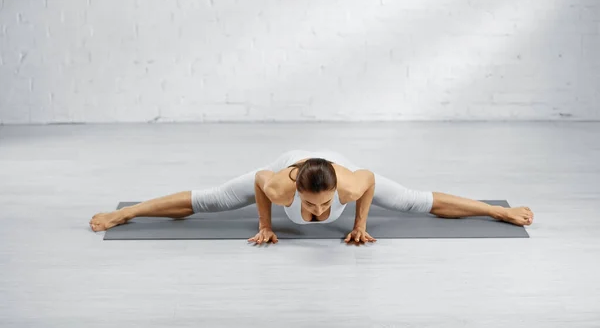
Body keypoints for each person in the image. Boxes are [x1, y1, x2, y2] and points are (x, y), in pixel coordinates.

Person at [89, 149, 534, 244]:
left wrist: (360, 223)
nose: (321, 213)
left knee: (414, 201)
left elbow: (372, 179)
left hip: (331, 164)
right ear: (298, 191)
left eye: (325, 206)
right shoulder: (282, 187)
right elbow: (263, 182)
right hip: (286, 167)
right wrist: (265, 223)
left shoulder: (350, 184)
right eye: (311, 206)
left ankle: (499, 213)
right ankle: (124, 215)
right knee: (213, 200)